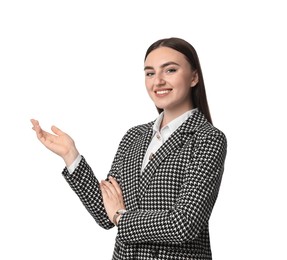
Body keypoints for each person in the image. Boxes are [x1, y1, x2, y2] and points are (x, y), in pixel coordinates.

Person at [31, 37, 227, 260]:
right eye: (150, 73)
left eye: (170, 70)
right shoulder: (134, 137)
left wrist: (121, 217)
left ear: (194, 77)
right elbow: (106, 214)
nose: (158, 81)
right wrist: (70, 155)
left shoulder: (207, 139)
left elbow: (184, 224)